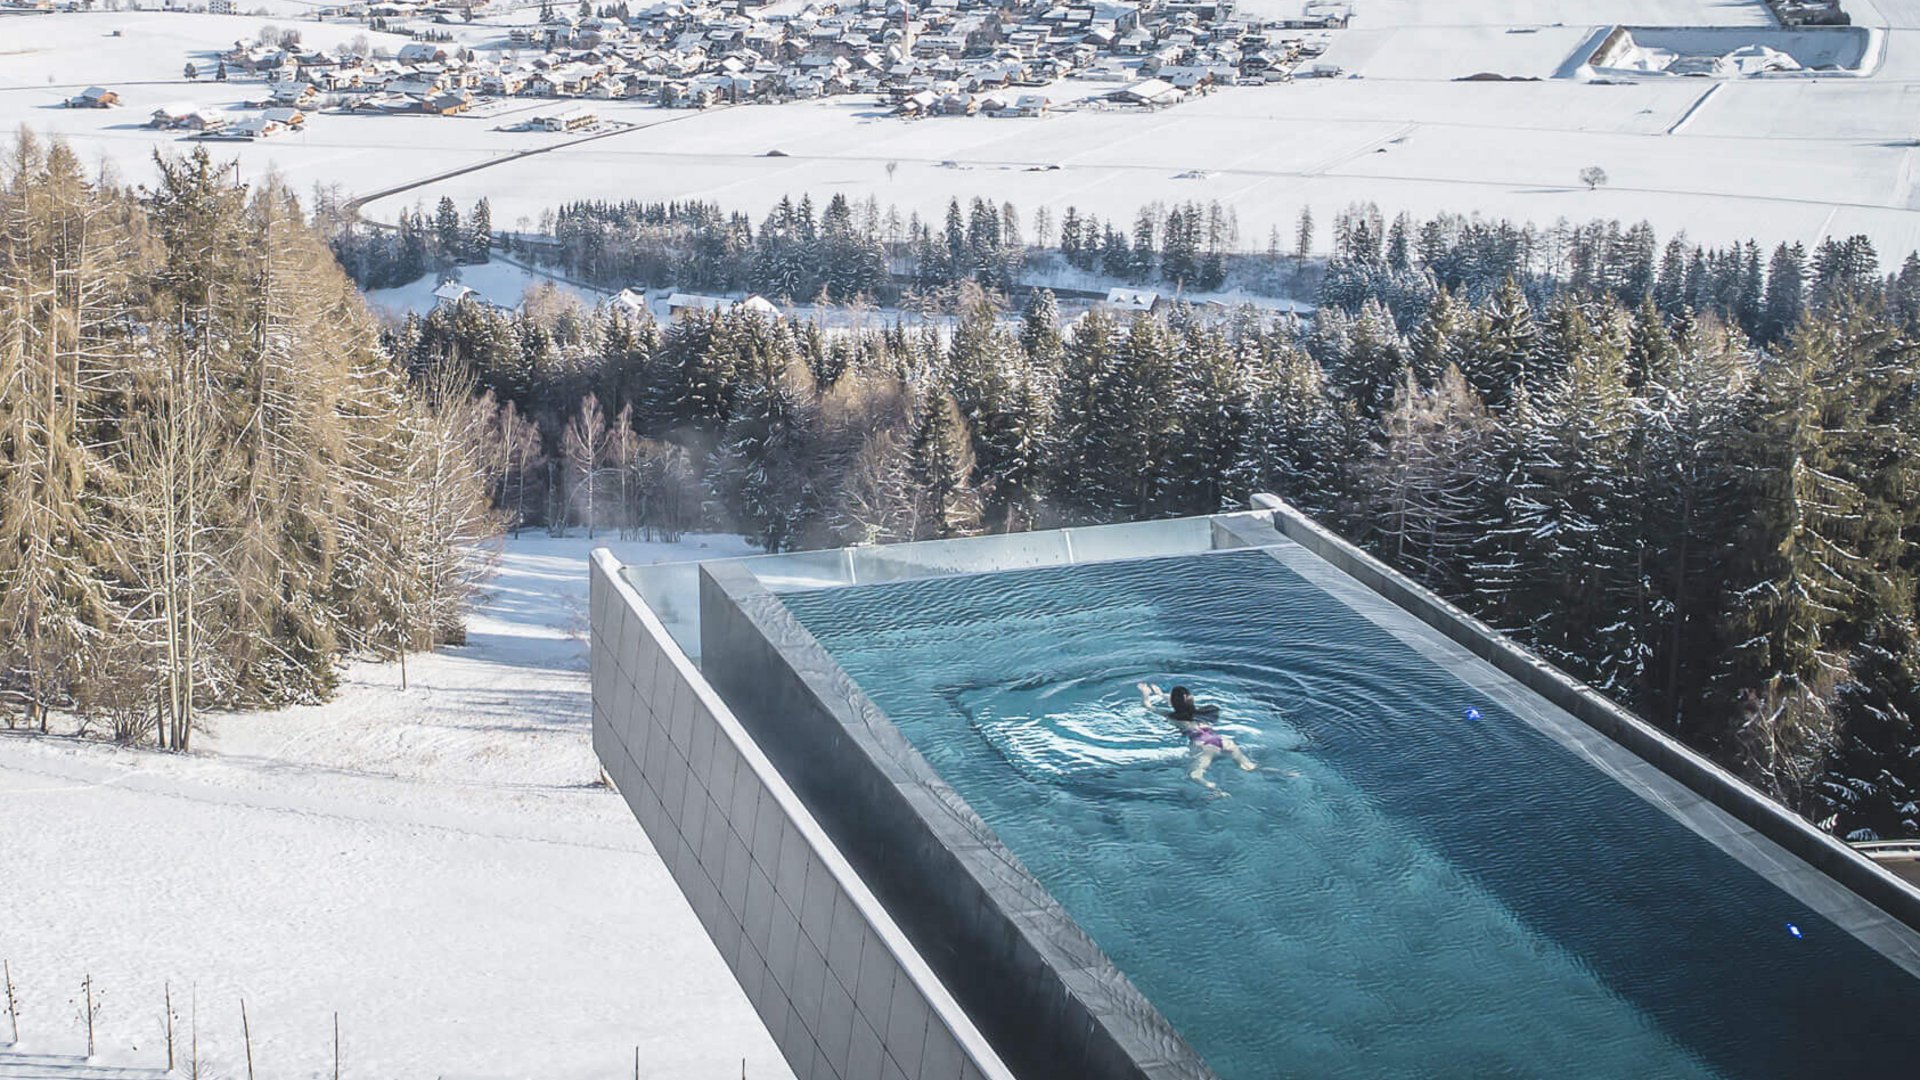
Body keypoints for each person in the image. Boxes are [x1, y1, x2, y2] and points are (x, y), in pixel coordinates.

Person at [1137, 682, 1256, 790]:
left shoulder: (1171, 716)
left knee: (1194, 775)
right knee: (1248, 766)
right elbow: (1182, 703)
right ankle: (1263, 772)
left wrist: (1145, 693)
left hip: (1205, 746)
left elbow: (1147, 706)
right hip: (1224, 741)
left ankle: (1215, 790)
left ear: (1173, 702)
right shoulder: (1203, 712)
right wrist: (1161, 694)